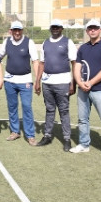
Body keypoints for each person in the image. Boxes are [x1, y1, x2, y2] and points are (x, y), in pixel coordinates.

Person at [70, 19, 101, 161]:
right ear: (87, 30)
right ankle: (84, 144)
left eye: (95, 28)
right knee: (82, 119)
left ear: (100, 29)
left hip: (100, 89)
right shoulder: (83, 48)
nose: (92, 30)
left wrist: (90, 82)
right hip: (83, 89)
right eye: (90, 28)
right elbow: (77, 67)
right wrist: (79, 82)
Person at [35, 19, 77, 151]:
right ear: (50, 28)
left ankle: (66, 138)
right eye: (53, 27)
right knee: (49, 110)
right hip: (47, 83)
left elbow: (74, 63)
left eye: (58, 27)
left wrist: (73, 83)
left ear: (61, 29)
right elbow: (41, 63)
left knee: (64, 111)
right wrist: (37, 81)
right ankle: (47, 135)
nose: (55, 29)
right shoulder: (45, 43)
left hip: (63, 83)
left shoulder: (68, 42)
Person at [0, 20, 40, 145]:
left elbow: (35, 61)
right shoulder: (6, 42)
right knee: (12, 107)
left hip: (25, 81)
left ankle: (30, 135)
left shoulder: (29, 42)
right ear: (10, 31)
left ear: (22, 30)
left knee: (27, 107)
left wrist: (37, 81)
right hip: (9, 81)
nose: (17, 32)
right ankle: (15, 131)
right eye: (14, 30)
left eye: (19, 30)